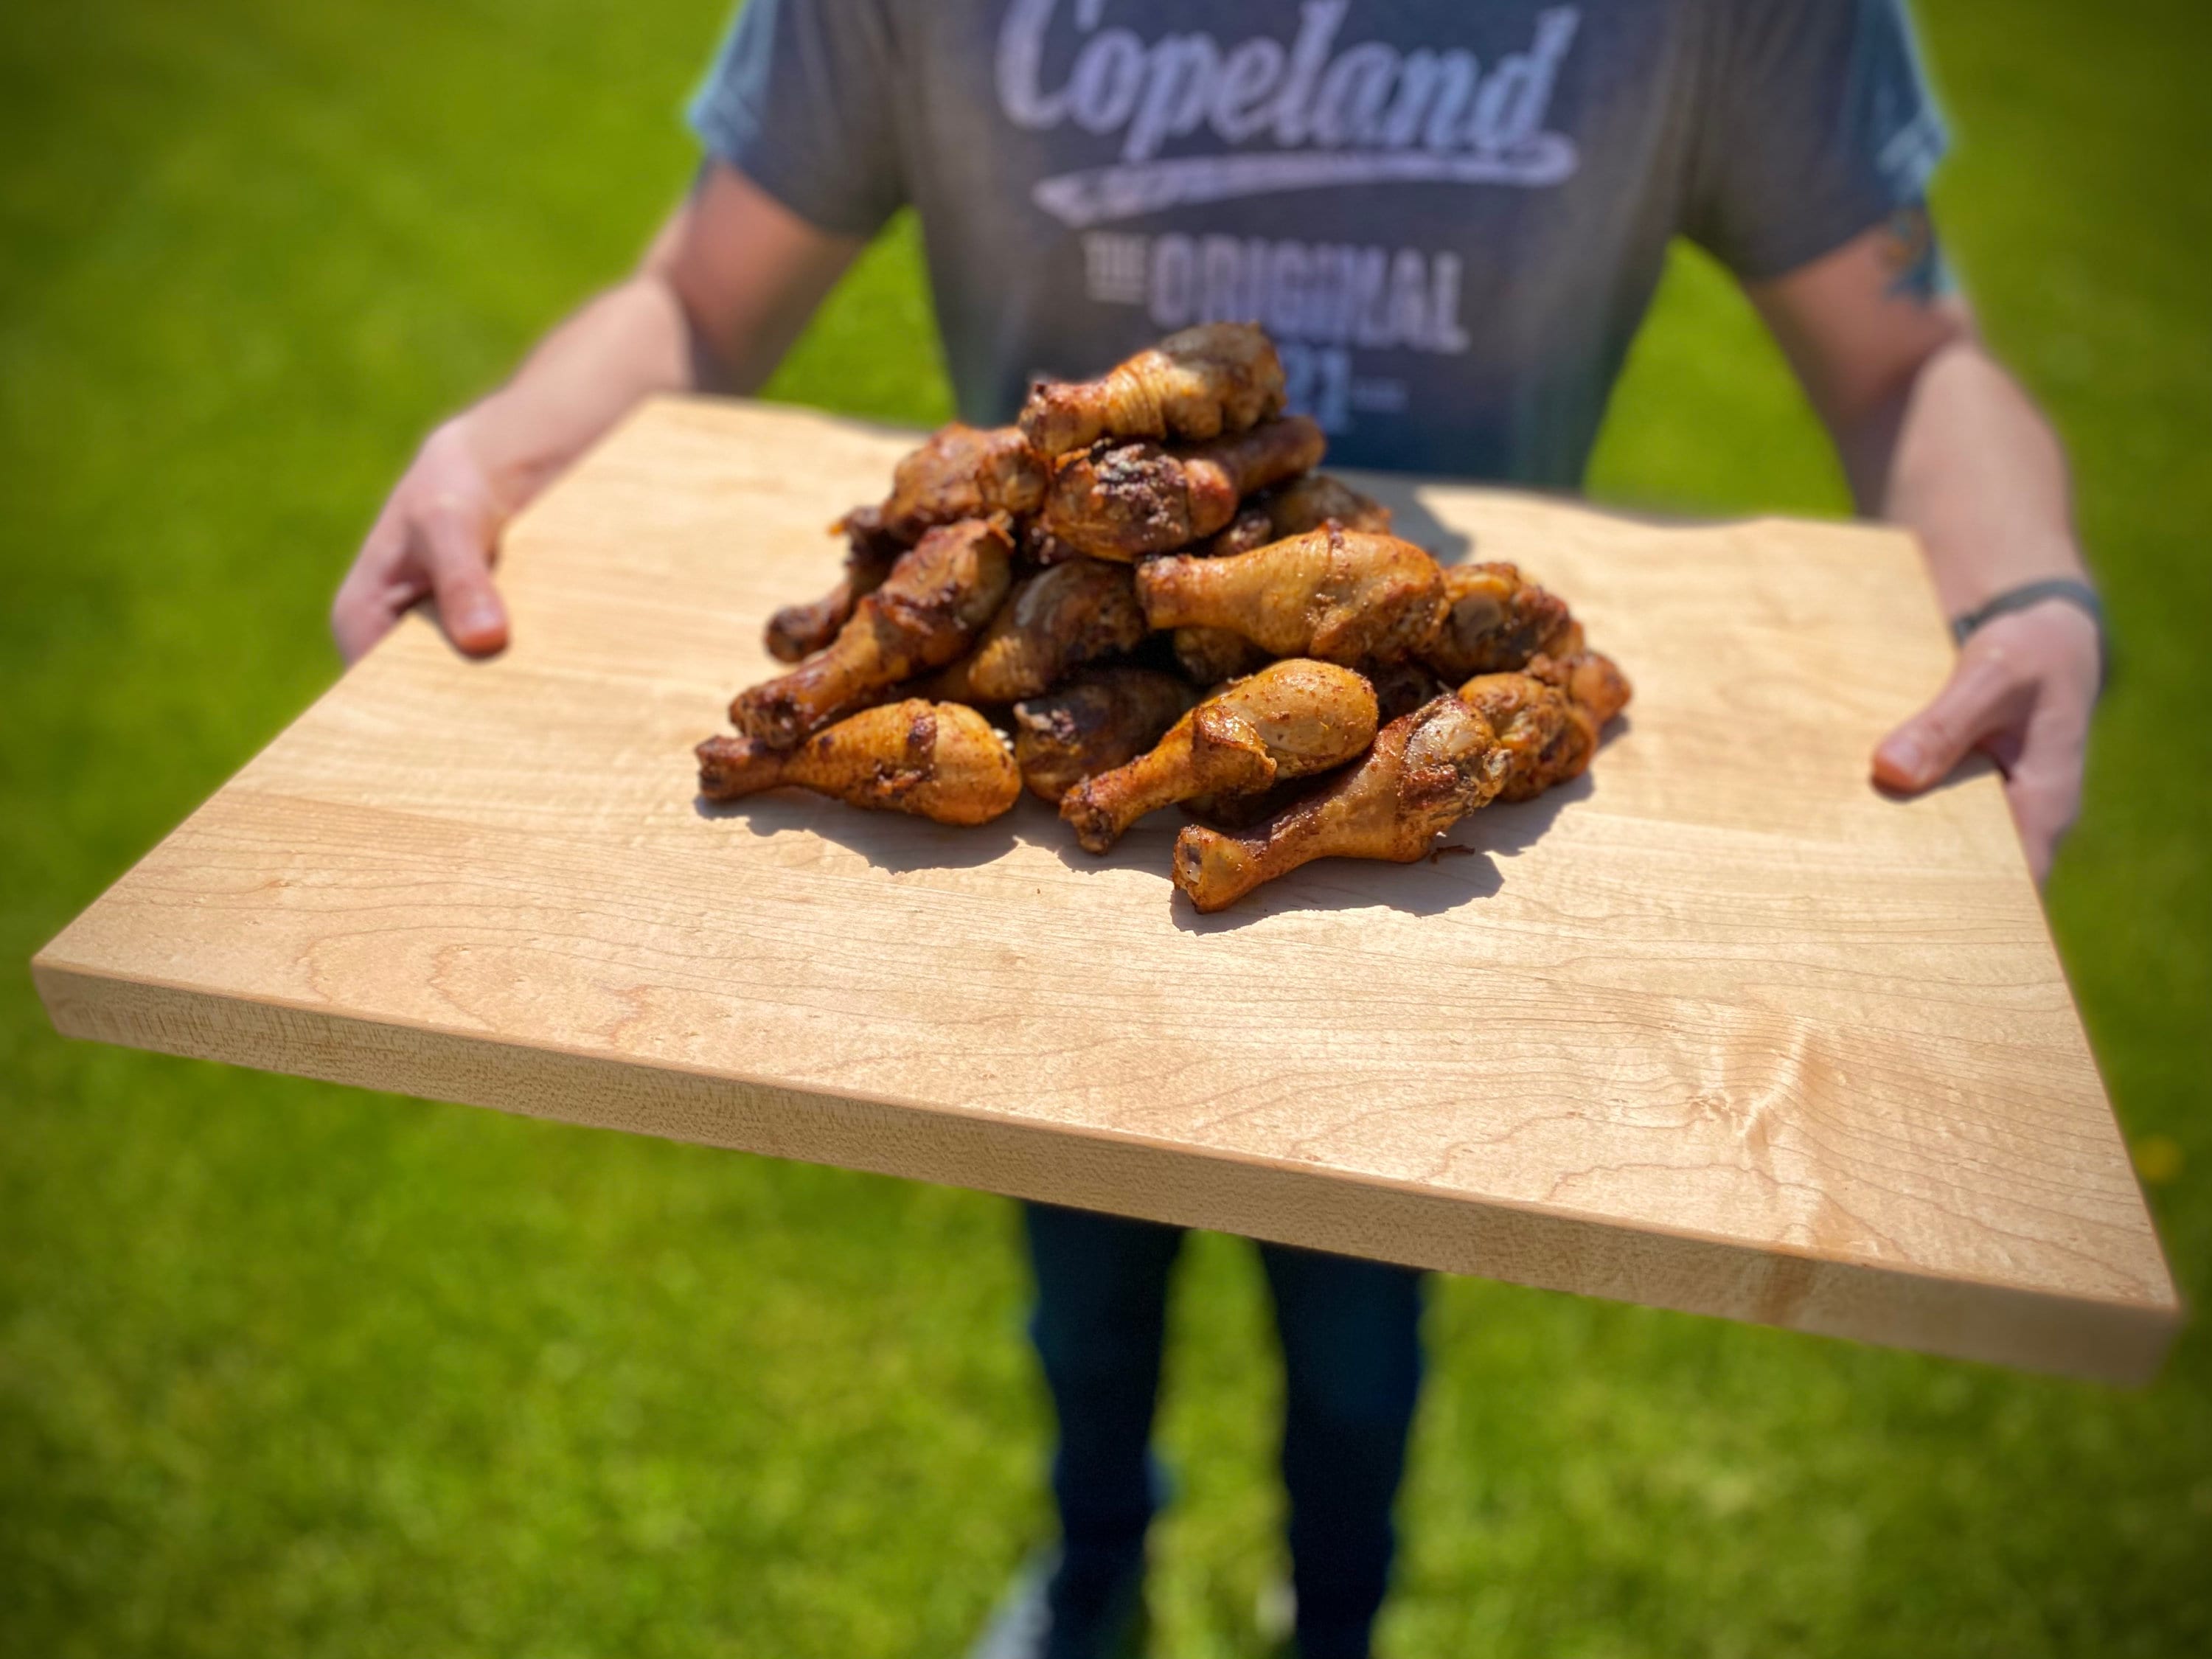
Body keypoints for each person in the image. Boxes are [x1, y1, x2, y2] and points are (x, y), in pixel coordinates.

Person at [333, 4, 2104, 1654]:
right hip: (1050, 830)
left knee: (1352, 1349)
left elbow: (1907, 357)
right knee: (1083, 1308)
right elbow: (699, 296)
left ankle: (1337, 1614)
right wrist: (507, 445)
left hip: (1403, 869)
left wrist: (2025, 590)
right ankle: (1093, 1567)